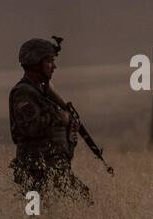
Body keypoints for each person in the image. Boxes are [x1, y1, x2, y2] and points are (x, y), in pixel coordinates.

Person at [8, 38, 92, 203]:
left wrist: (71, 127)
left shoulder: (42, 92)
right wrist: (61, 117)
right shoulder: (23, 93)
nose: (54, 66)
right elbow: (31, 127)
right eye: (49, 61)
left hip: (54, 170)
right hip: (35, 173)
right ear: (35, 63)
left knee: (85, 204)